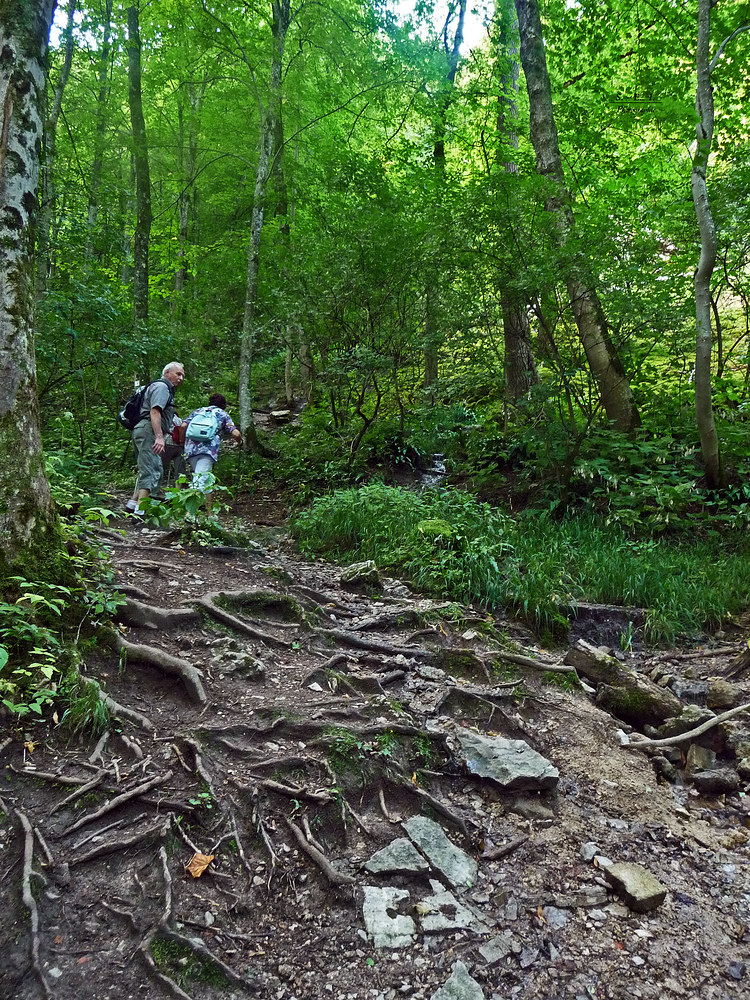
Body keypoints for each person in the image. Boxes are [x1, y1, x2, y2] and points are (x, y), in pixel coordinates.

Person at [125, 362, 185, 514]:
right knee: (151, 470)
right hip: (148, 431)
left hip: (144, 430)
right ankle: (142, 512)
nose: (181, 378)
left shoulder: (160, 387)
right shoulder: (162, 387)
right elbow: (155, 411)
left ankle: (132, 505)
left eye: (183, 375)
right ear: (167, 373)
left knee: (148, 467)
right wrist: (159, 437)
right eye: (178, 374)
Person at [182, 393, 241, 505]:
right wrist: (240, 441)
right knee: (200, 480)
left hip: (191, 450)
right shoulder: (222, 414)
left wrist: (182, 441)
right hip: (208, 451)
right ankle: (190, 513)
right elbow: (236, 434)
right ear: (224, 405)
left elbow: (183, 426)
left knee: (205, 479)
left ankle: (210, 514)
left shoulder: (198, 411)